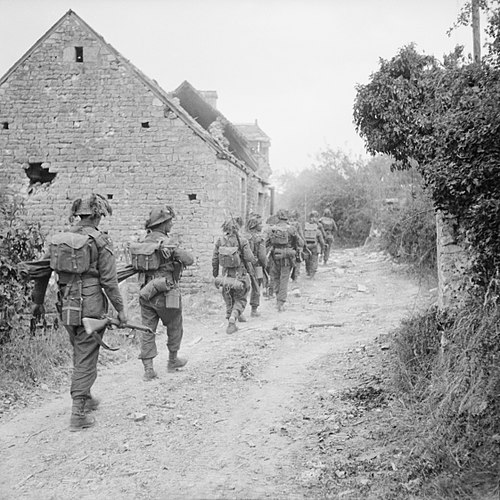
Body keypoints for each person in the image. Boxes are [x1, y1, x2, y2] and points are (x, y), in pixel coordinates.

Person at [31, 194, 127, 431]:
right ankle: (77, 414)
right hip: (91, 305)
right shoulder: (100, 241)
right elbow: (109, 281)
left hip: (66, 305)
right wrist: (121, 310)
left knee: (80, 349)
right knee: (86, 353)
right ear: (97, 215)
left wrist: (38, 302)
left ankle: (87, 396)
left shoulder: (60, 240)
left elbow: (42, 271)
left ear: (78, 214)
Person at [131, 207, 194, 381]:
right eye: (170, 221)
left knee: (147, 329)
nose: (172, 224)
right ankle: (172, 360)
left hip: (146, 291)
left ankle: (148, 369)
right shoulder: (167, 243)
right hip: (166, 291)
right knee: (175, 323)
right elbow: (189, 259)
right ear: (163, 224)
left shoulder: (143, 242)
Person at [212, 217, 256, 334]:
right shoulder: (242, 240)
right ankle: (233, 319)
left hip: (226, 275)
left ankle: (232, 315)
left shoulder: (220, 241)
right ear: (237, 228)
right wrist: (254, 260)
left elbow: (215, 259)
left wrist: (215, 275)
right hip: (240, 274)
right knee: (241, 298)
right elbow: (249, 258)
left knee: (228, 296)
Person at [265, 209, 302, 312]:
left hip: (274, 257)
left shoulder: (272, 229)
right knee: (284, 280)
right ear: (287, 217)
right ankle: (281, 303)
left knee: (276, 278)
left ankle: (278, 299)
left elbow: (266, 243)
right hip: (287, 258)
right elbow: (300, 243)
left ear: (278, 217)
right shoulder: (292, 229)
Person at [245, 214, 267, 317]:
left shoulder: (243, 236)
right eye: (260, 224)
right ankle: (254, 309)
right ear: (255, 225)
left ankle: (237, 309)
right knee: (257, 284)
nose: (261, 226)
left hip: (244, 264)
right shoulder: (259, 238)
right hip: (257, 265)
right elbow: (262, 256)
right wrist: (265, 266)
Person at [304, 210, 326, 278]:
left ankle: (308, 272)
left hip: (307, 246)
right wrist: (323, 248)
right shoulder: (318, 228)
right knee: (314, 259)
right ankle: (312, 274)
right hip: (315, 246)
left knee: (307, 260)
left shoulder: (306, 227)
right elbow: (322, 241)